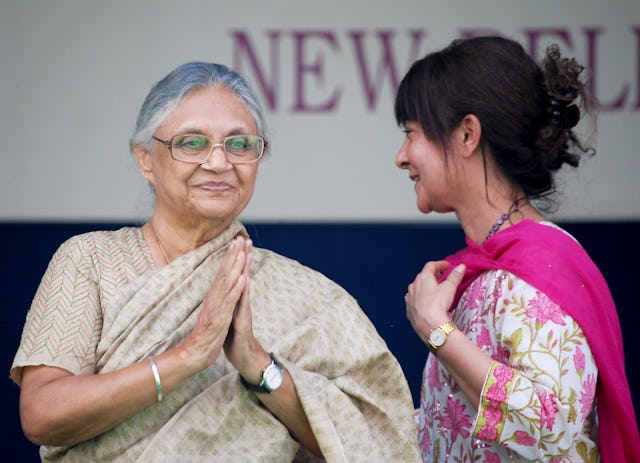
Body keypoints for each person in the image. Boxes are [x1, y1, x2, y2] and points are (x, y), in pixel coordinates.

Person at [11, 62, 421, 462]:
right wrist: (188, 357)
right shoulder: (90, 260)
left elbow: (375, 441)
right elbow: (42, 414)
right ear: (145, 159)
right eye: (192, 143)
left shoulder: (308, 296)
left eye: (240, 144)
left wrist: (259, 367)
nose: (220, 162)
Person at [394, 36, 640, 462]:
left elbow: (551, 427)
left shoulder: (539, 269)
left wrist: (437, 331)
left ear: (467, 134)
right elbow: (449, 434)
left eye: (411, 133)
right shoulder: (484, 273)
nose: (401, 156)